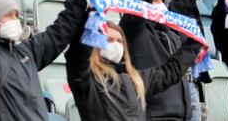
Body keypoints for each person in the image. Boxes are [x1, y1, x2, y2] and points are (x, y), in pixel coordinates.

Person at [66, 20, 201, 120]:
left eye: (119, 41)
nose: (115, 44)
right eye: (109, 39)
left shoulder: (136, 79)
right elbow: (76, 53)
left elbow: (170, 71)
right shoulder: (87, 77)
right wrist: (92, 13)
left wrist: (195, 42)